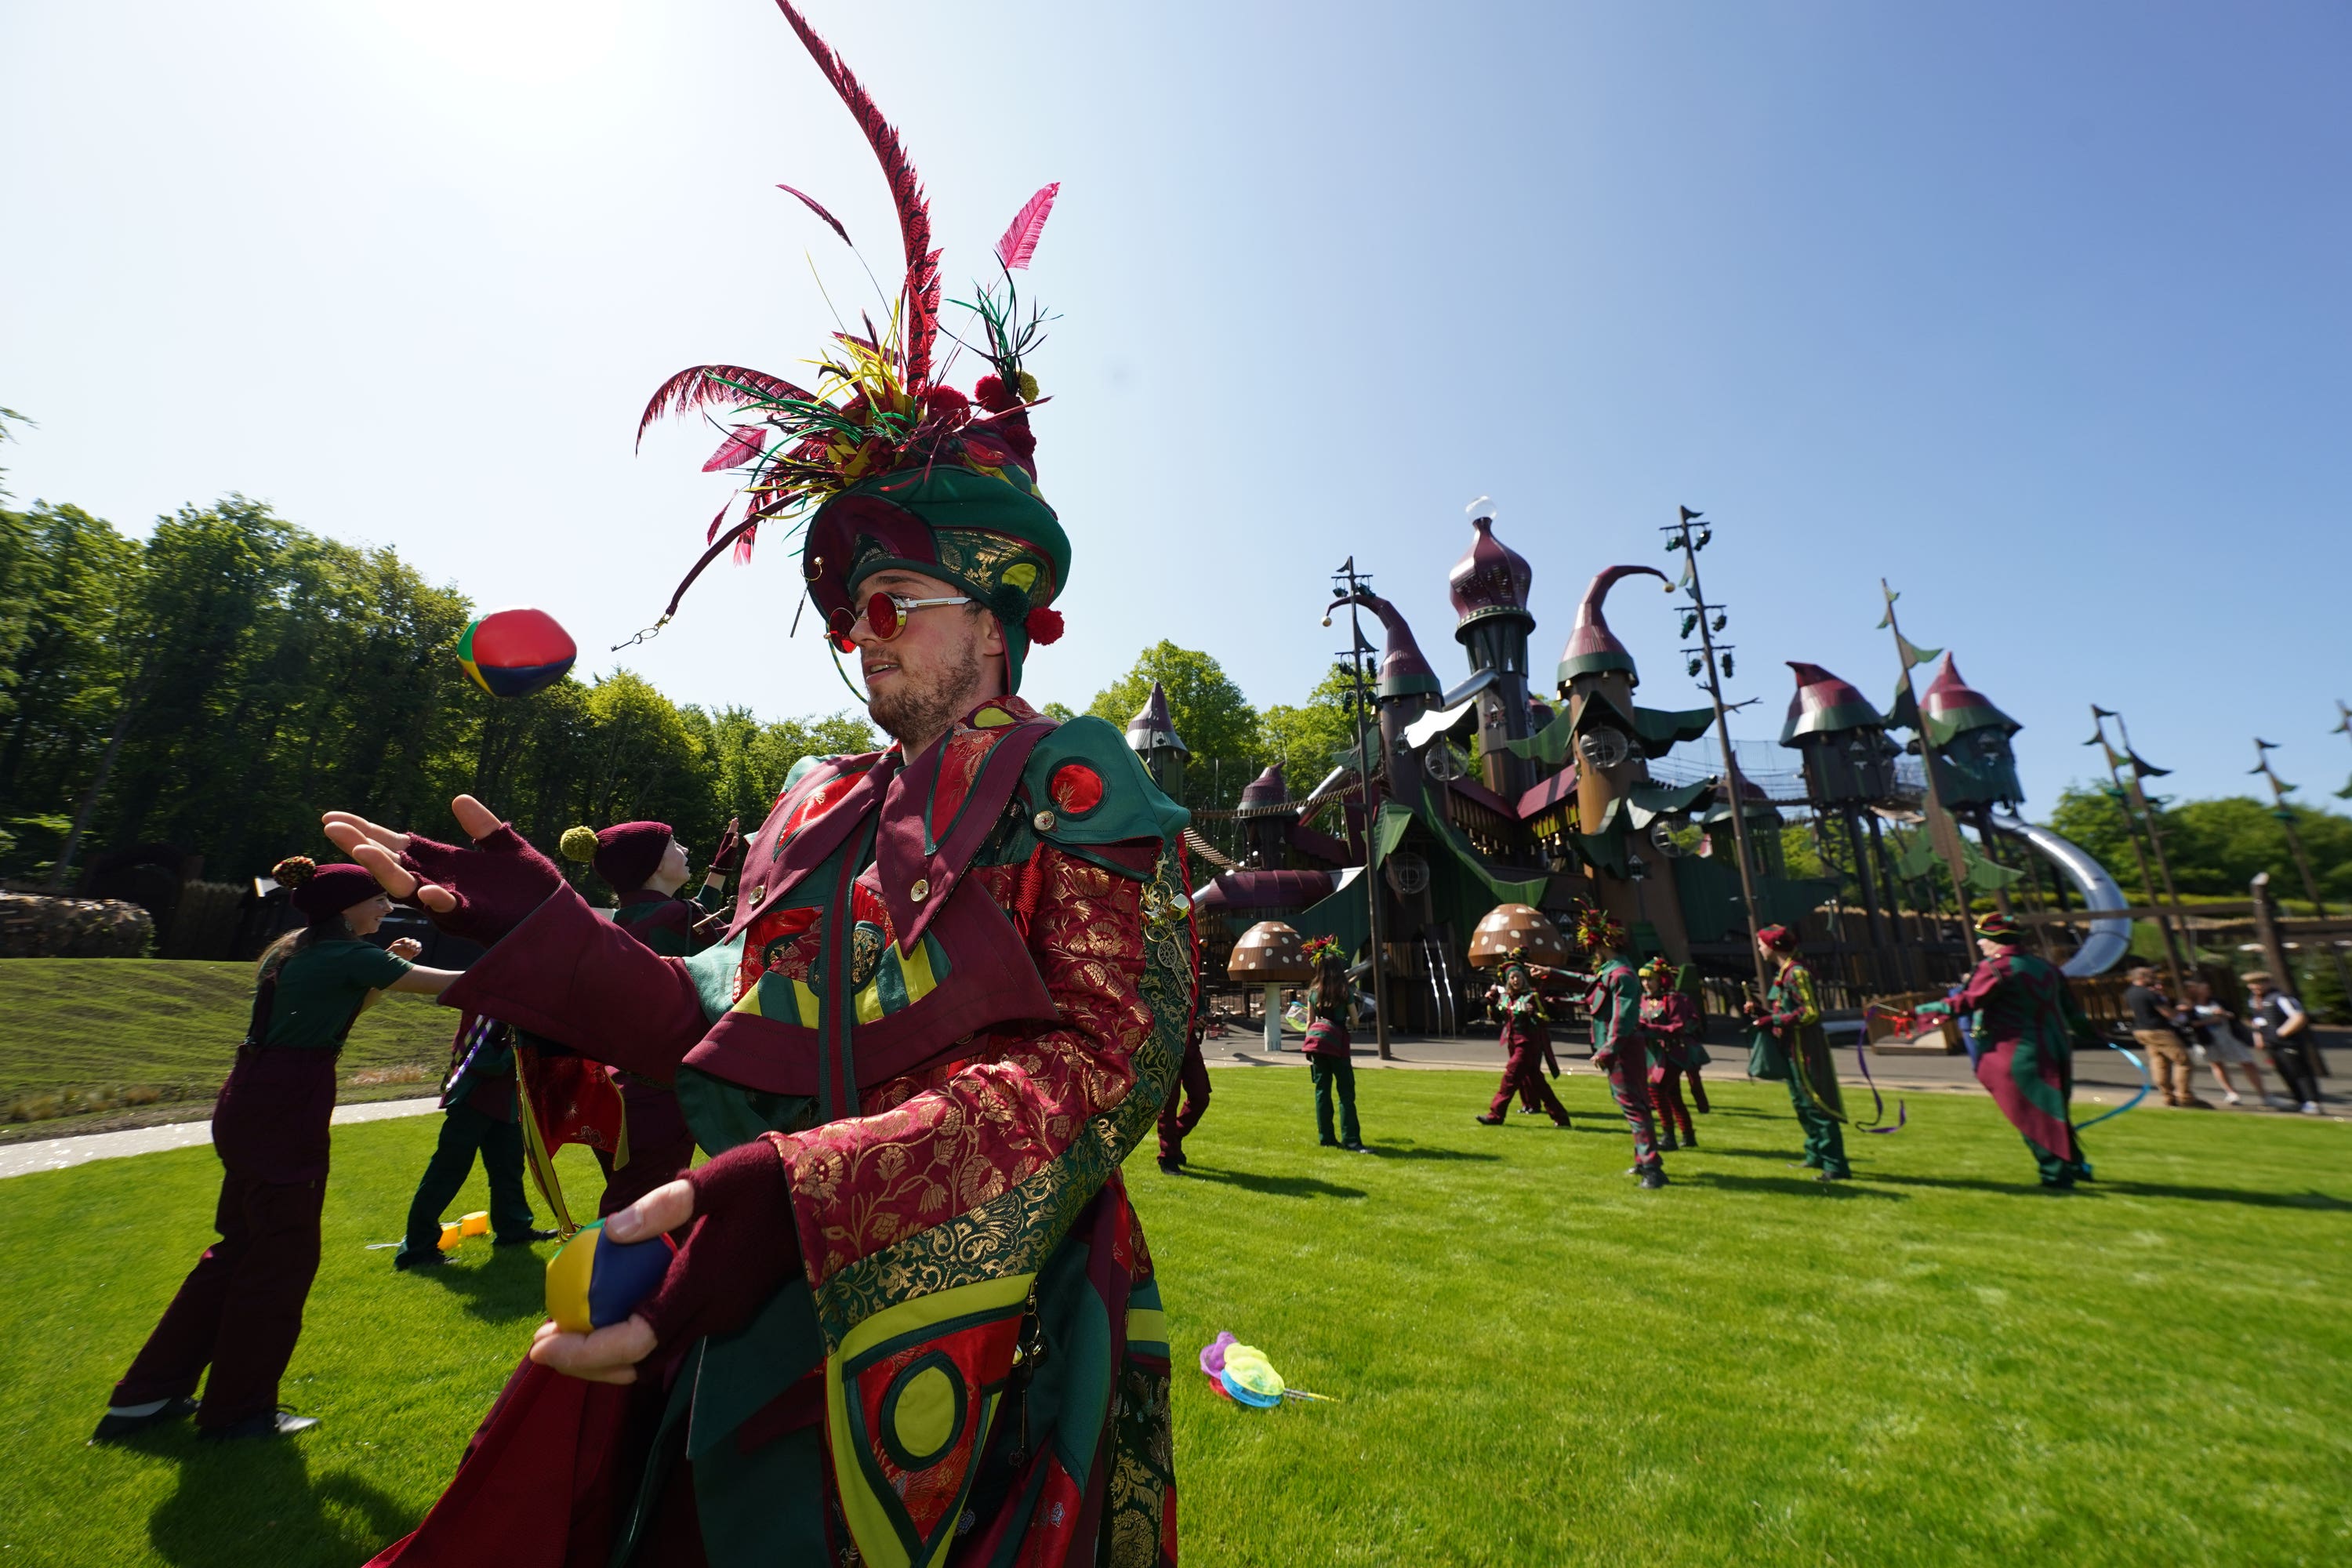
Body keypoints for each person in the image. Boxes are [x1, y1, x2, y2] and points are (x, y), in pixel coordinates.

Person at [340, 13, 1192, 1555]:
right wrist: (572, 953)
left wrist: (809, 1197)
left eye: (888, 604)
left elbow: (1096, 1081)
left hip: (993, 1344)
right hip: (748, 1316)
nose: (853, 643)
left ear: (998, 614)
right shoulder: (812, 798)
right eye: (834, 610)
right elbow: (742, 1018)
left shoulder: (1080, 785)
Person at [93, 858, 463, 1443]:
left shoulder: (298, 952)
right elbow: (455, 985)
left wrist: (390, 971)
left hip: (251, 1099)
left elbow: (348, 1007)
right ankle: (238, 1411)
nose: (388, 909)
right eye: (378, 900)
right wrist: (527, 961)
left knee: (239, 1248)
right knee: (281, 1260)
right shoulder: (347, 954)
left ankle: (145, 1397)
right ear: (346, 909)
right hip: (286, 1108)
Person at [558, 816, 740, 1215]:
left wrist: (718, 872)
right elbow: (734, 943)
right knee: (638, 1213)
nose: (686, 850)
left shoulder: (622, 922)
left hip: (615, 1087)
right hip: (661, 1093)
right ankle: (608, 1276)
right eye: (675, 845)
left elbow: (687, 920)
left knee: (638, 1200)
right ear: (655, 864)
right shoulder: (678, 919)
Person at [1915, 912, 2096, 1189]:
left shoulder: (1998, 967)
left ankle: (2056, 1176)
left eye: (1983, 939)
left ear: (1996, 941)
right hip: (2056, 1047)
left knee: (2034, 1114)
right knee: (2054, 1111)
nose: (1980, 945)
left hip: (2018, 1051)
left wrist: (1920, 1013)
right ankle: (2075, 1165)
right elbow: (2073, 1012)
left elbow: (1966, 1001)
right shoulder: (2045, 966)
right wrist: (2097, 1037)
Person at [390, 1011, 556, 1270]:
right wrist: (521, 1053)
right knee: (447, 1172)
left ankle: (513, 1229)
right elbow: (475, 1054)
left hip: (505, 1101)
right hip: (473, 1100)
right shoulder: (484, 1004)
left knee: (508, 1168)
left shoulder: (521, 1003)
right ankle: (417, 1249)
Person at [1746, 924, 1850, 1181]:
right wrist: (1764, 1014)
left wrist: (1775, 1022)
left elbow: (1810, 1012)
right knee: (1801, 1104)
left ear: (1774, 947)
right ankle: (1815, 1154)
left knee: (1816, 1103)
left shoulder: (1797, 974)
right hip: (1790, 1048)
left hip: (1807, 1048)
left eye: (1762, 944)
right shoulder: (1784, 972)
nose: (1759, 949)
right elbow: (1787, 1010)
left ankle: (1835, 1165)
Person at [1580, 907, 1667, 1188]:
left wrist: (1608, 1049)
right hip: (1621, 1049)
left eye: (1593, 946)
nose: (1592, 951)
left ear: (1602, 944)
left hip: (1622, 1050)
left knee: (1634, 1106)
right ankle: (1644, 1162)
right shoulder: (1613, 971)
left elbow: (1623, 1019)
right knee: (1634, 1105)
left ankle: (1652, 1168)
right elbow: (1589, 983)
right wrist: (1549, 973)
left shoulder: (1622, 975)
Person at [1476, 952, 1572, 1129]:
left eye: (1518, 977)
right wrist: (1490, 1002)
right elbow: (1497, 1018)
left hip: (1528, 1043)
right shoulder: (1506, 998)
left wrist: (1533, 1013)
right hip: (1513, 1042)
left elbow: (1545, 1019)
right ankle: (1561, 1117)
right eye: (1512, 977)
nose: (1516, 980)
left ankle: (1496, 1114)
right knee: (1537, 1082)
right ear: (1507, 980)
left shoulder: (1531, 996)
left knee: (1510, 1077)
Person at [1304, 942, 1367, 1150]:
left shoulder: (1313, 993)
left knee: (1322, 1091)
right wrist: (1349, 1021)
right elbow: (1355, 1020)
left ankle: (1327, 1138)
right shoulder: (1344, 990)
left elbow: (1309, 1023)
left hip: (1318, 1045)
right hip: (1338, 1043)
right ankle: (1351, 1139)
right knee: (1346, 1092)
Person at [2122, 965, 2205, 1108]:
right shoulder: (2148, 993)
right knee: (2183, 1062)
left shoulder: (2130, 993)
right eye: (2151, 976)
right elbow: (2166, 1013)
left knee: (2159, 1062)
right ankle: (2184, 1097)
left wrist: (2161, 995)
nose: (2154, 978)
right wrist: (2180, 1015)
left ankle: (2168, 1096)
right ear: (2141, 977)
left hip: (2141, 1031)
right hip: (2159, 1031)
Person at [2181, 977, 2270, 1108]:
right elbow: (2187, 1024)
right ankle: (2231, 1092)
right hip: (2207, 1039)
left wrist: (2224, 1013)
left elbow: (2234, 1015)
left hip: (2228, 1037)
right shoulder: (2189, 1005)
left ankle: (2263, 1094)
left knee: (2247, 1062)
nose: (2207, 991)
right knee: (2217, 1064)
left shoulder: (2217, 1002)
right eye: (2204, 989)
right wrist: (2209, 1021)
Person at [1639, 958, 1700, 1149]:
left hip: (1674, 1052)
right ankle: (1688, 1137)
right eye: (1644, 980)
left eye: (1651, 979)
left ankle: (1668, 1137)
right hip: (1656, 1054)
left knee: (1656, 1090)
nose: (1646, 984)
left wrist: (1649, 1029)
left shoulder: (1673, 999)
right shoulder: (1644, 1000)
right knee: (1673, 1095)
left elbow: (1678, 1027)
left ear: (1661, 980)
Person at [2245, 971, 2324, 1115]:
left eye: (2258, 984)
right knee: (2284, 1072)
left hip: (2288, 1043)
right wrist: (2259, 1037)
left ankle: (2312, 1101)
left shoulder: (2280, 998)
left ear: (2267, 983)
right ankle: (2299, 1100)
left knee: (2299, 1071)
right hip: (2271, 1043)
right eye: (2252, 985)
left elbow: (2298, 1017)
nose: (2255, 988)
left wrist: (2282, 1033)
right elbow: (2257, 1020)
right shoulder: (2255, 1000)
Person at [1157, 1007, 1212, 1174]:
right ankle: (1167, 1156)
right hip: (1166, 1040)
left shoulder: (1190, 979)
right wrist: (1189, 1022)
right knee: (1169, 1102)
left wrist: (1200, 1017)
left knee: (1201, 1097)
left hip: (1188, 1041)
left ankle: (1174, 1138)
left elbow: (1196, 999)